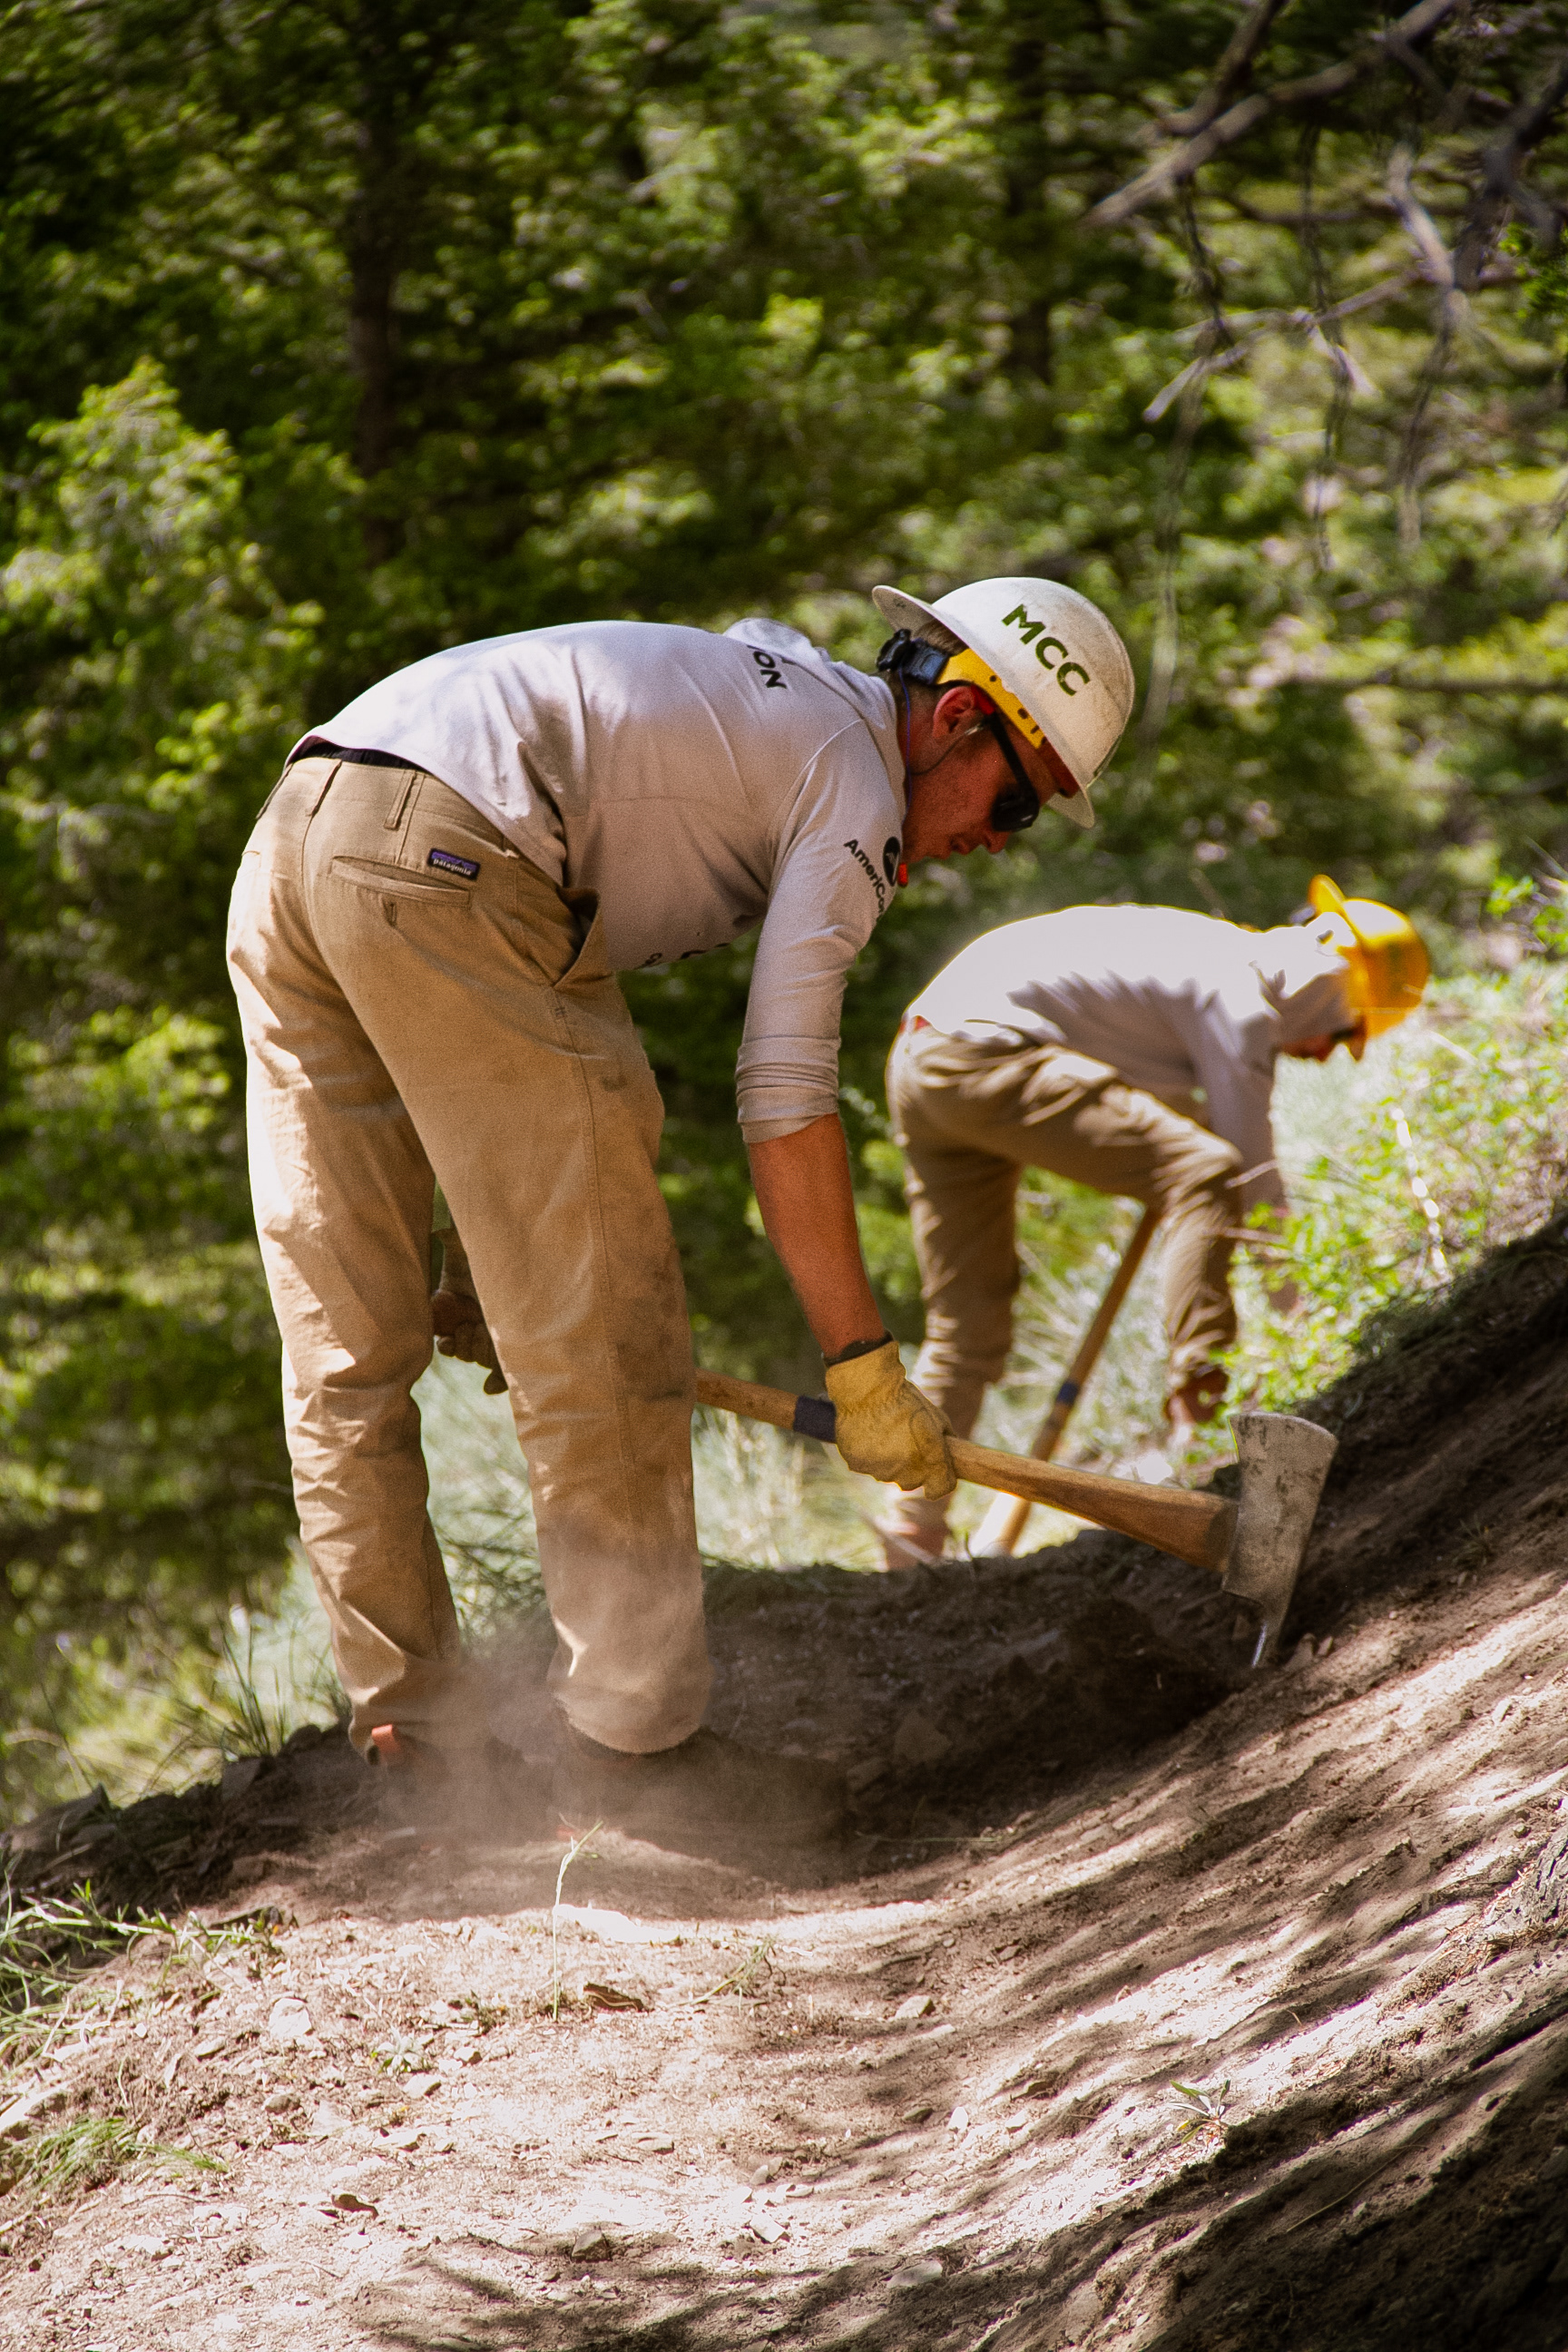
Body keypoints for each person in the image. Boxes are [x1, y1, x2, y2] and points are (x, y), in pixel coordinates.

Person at [225, 574, 1133, 1846]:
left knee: (347, 1334)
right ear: (959, 719)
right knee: (609, 1331)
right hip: (455, 846)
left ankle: (415, 1735)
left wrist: (503, 1261)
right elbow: (785, 1099)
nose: (998, 839)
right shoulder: (858, 786)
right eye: (1018, 802)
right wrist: (863, 1364)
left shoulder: (781, 693)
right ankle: (637, 1752)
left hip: (304, 827)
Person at [876, 879, 1429, 1567]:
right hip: (990, 1051)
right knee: (1205, 1172)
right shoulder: (1240, 996)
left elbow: (1148, 1086)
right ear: (1336, 986)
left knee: (967, 1321)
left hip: (924, 1060)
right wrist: (1302, 1322)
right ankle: (1198, 1438)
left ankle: (911, 1534)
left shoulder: (1203, 955)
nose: (1317, 1054)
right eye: (1341, 1036)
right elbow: (1251, 1181)